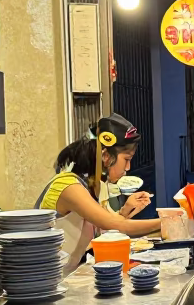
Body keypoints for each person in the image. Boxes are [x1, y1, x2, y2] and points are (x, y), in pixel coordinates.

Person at [37, 113, 161, 272]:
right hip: (44, 280)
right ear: (106, 156)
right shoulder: (68, 186)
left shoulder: (94, 186)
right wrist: (166, 222)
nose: (128, 168)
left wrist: (125, 210)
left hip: (63, 278)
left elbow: (110, 228)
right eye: (127, 159)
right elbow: (115, 224)